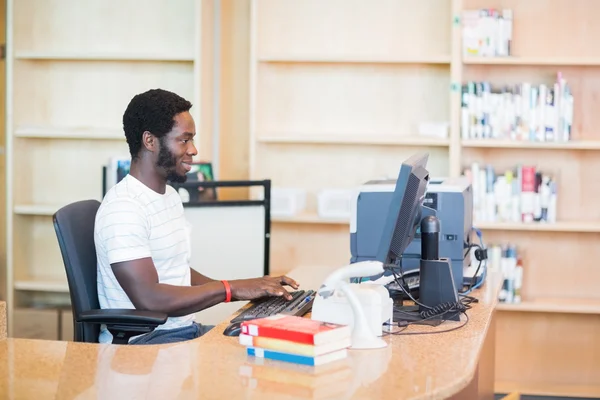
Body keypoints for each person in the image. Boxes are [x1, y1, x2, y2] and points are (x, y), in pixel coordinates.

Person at [94, 88, 299, 345]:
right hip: (145, 346)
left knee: (272, 343)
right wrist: (230, 288)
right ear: (150, 141)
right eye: (184, 140)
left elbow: (175, 269)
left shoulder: (168, 197)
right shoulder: (124, 208)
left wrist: (249, 288)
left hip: (181, 331)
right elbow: (150, 299)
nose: (193, 149)